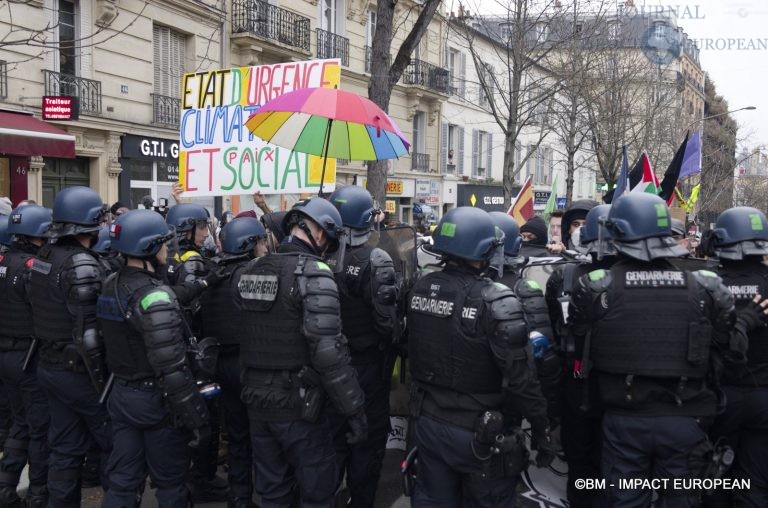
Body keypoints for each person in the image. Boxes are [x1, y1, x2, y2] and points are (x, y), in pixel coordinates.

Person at [568, 193, 763, 507]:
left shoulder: (596, 286)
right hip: (685, 418)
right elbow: (729, 351)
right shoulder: (705, 287)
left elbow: (577, 352)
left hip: (624, 418)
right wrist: (747, 321)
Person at [407, 206, 555, 507]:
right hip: (479, 434)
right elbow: (521, 379)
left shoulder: (420, 287)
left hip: (428, 422)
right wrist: (542, 428)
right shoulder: (497, 299)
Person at [235, 197, 367, 507]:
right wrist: (354, 409)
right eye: (330, 241)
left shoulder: (251, 269)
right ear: (320, 233)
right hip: (300, 407)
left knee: (274, 493)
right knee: (318, 493)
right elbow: (329, 353)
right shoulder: (314, 273)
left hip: (256, 403)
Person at [97, 209, 210, 507]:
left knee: (122, 483)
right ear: (148, 247)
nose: (167, 248)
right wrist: (195, 416)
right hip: (155, 402)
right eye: (162, 243)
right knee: (171, 485)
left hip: (121, 394)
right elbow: (171, 367)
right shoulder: (153, 296)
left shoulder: (110, 284)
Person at [28, 186, 112, 507]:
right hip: (81, 374)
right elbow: (90, 333)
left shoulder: (44, 257)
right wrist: (102, 383)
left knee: (64, 450)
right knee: (115, 447)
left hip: (50, 366)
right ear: (88, 222)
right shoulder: (81, 264)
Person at [328, 186, 399, 507]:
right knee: (366, 445)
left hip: (327, 367)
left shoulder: (317, 255)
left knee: (332, 443)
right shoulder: (375, 258)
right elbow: (387, 325)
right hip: (367, 368)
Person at [199, 217, 270, 508]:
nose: (265, 247)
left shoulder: (213, 273)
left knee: (238, 434)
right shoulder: (251, 274)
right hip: (249, 364)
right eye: (262, 242)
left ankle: (239, 496)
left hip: (221, 365)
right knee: (263, 435)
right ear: (250, 244)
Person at [164, 202, 228, 502]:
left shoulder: (168, 256)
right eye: (202, 227)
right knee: (205, 417)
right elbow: (193, 304)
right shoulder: (192, 261)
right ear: (187, 229)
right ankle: (201, 478)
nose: (206, 233)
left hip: (180, 349)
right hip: (196, 348)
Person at [706, 207, 768, 507]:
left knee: (714, 476)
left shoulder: (706, 284)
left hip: (719, 397)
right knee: (756, 481)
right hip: (764, 398)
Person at [0, 205, 52, 507]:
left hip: (6, 355)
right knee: (39, 427)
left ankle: (6, 488)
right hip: (28, 356)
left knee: (20, 422)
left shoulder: (4, 260)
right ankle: (38, 494)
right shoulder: (34, 267)